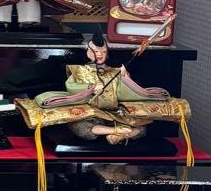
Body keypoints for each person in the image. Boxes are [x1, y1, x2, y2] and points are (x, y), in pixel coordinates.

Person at [14, 30, 191, 145]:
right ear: (89, 53)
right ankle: (114, 132)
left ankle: (121, 135)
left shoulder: (115, 71)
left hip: (116, 110)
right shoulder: (79, 70)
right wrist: (89, 89)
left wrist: (125, 78)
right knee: (80, 126)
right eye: (96, 52)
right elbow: (71, 87)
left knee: (142, 126)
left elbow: (128, 92)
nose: (100, 55)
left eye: (103, 52)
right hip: (91, 111)